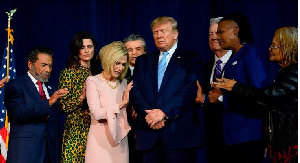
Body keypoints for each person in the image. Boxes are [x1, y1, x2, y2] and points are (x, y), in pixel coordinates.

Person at [214, 27, 298, 163]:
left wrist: (236, 87)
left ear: (288, 47)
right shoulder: (286, 73)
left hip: (292, 148)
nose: (270, 49)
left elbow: (269, 97)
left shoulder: (296, 73)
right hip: (280, 146)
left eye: (275, 46)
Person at [197, 13, 271, 163]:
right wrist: (210, 99)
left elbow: (261, 96)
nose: (217, 36)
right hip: (231, 137)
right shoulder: (235, 57)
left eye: (221, 31)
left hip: (248, 135)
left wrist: (221, 97)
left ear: (236, 31)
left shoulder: (251, 53)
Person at [129, 16, 203, 163]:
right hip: (149, 134)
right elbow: (135, 91)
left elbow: (189, 90)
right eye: (155, 32)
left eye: (163, 31)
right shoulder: (143, 61)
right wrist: (150, 116)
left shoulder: (191, 58)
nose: (159, 36)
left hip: (179, 135)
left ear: (175, 34)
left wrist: (163, 113)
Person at [4, 47, 68, 163]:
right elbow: (18, 112)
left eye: (50, 66)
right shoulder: (16, 85)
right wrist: (48, 103)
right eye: (44, 65)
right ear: (30, 64)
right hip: (25, 152)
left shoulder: (52, 89)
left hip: (49, 154)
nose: (48, 69)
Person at [85, 41, 132, 163]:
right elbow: (97, 113)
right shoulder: (93, 81)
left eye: (123, 64)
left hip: (120, 141)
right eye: (117, 63)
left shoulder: (124, 83)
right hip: (99, 141)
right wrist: (122, 103)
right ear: (107, 60)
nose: (120, 68)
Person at [59, 31, 101, 162]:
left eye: (90, 46)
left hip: (96, 125)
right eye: (82, 47)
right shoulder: (68, 73)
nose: (86, 51)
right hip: (75, 127)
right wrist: (81, 97)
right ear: (76, 49)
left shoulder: (100, 74)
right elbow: (62, 106)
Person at [199, 17, 232, 163]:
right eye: (210, 34)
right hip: (212, 138)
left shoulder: (240, 62)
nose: (213, 37)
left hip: (236, 138)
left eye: (217, 32)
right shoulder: (204, 68)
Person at [123, 34, 147, 163]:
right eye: (129, 50)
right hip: (123, 130)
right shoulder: (117, 74)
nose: (134, 53)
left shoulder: (154, 73)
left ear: (145, 51)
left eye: (138, 49)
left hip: (145, 127)